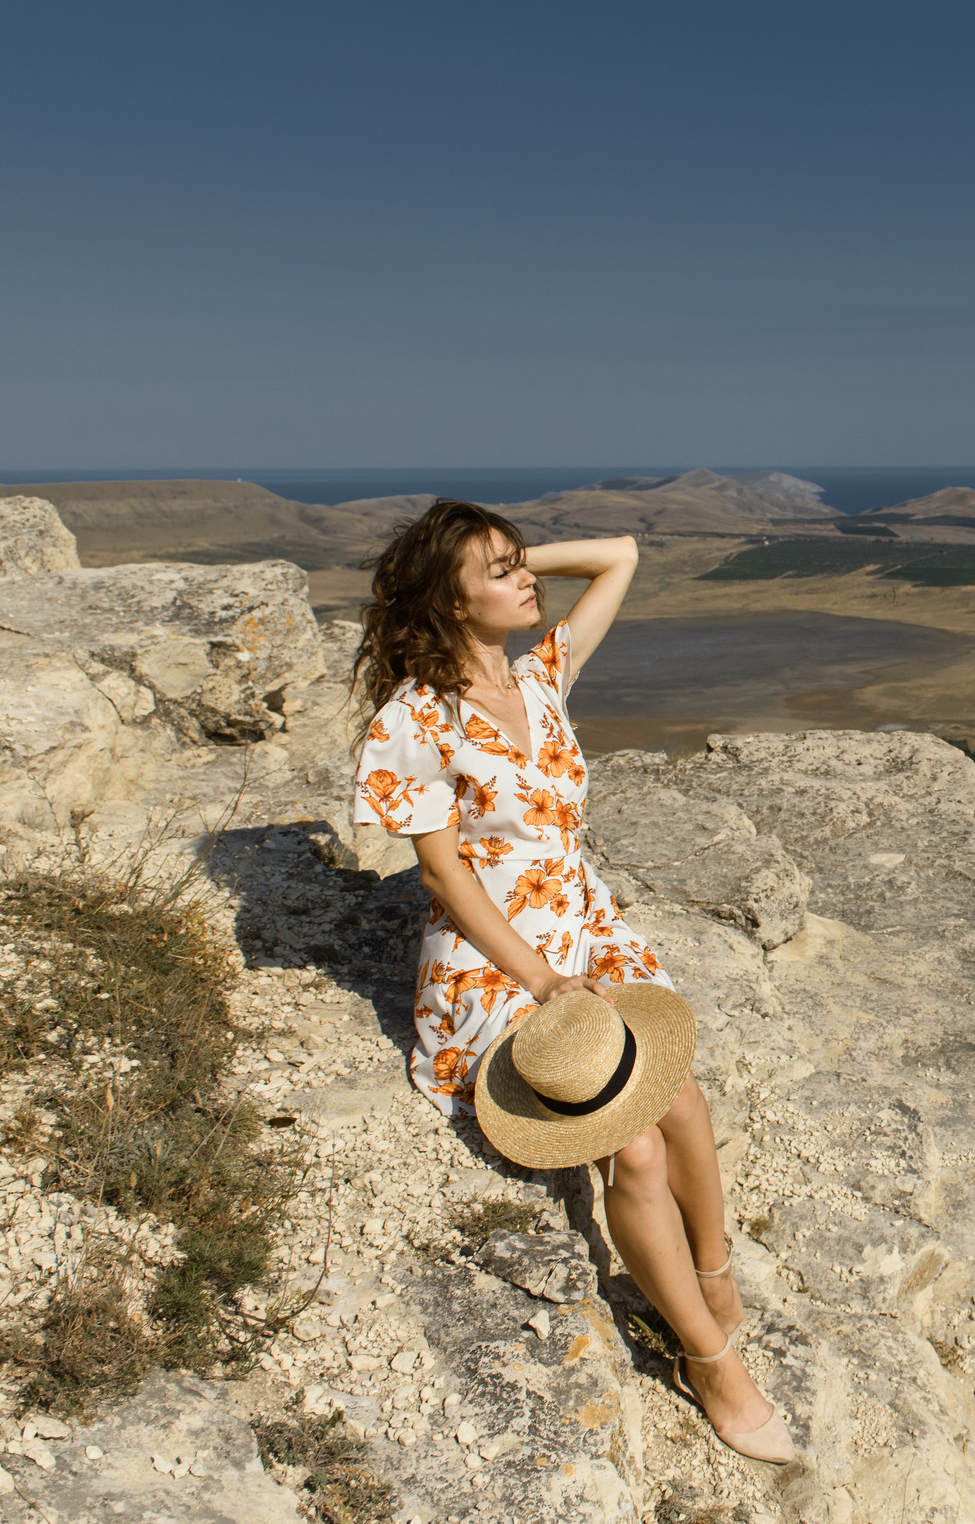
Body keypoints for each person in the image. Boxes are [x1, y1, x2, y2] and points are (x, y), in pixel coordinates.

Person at [350, 500, 791, 1465]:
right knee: (630, 1151)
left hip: (586, 924)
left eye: (521, 564)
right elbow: (442, 874)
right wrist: (541, 979)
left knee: (680, 1095)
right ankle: (708, 1359)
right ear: (446, 600)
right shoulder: (416, 715)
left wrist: (490, 563)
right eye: (499, 572)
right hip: (495, 957)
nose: (526, 581)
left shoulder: (540, 672)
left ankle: (711, 1270)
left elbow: (622, 555)